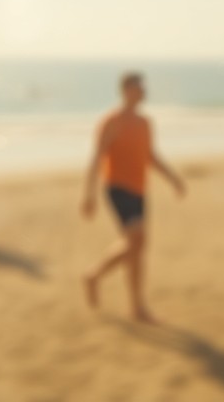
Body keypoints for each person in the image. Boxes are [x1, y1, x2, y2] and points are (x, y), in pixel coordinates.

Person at [81, 72, 186, 324]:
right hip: (117, 187)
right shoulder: (112, 121)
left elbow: (150, 155)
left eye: (143, 87)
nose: (143, 91)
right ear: (125, 90)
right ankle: (103, 281)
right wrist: (89, 194)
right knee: (136, 239)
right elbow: (97, 157)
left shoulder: (145, 122)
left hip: (139, 189)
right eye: (138, 87)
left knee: (137, 247)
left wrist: (173, 178)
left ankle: (127, 300)